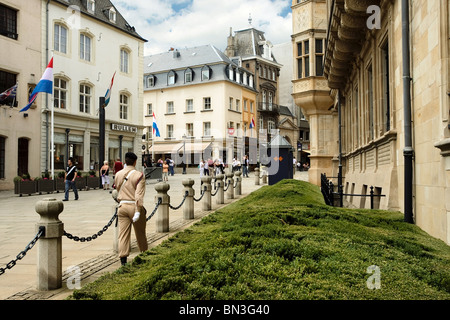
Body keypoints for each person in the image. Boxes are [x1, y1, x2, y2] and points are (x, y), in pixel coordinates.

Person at [113, 152, 148, 266]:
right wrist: (138, 210)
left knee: (123, 235)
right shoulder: (139, 175)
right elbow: (139, 195)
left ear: (125, 161)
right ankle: (144, 254)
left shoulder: (118, 174)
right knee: (140, 233)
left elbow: (117, 189)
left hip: (122, 206)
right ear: (135, 162)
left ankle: (123, 260)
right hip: (134, 206)